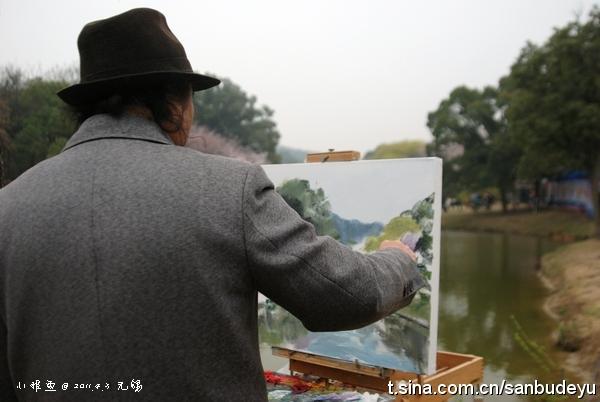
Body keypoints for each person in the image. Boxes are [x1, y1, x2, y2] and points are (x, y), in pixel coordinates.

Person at [0, 8, 425, 401]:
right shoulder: (229, 188)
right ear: (173, 102)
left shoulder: (8, 206)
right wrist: (400, 262)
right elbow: (346, 295)